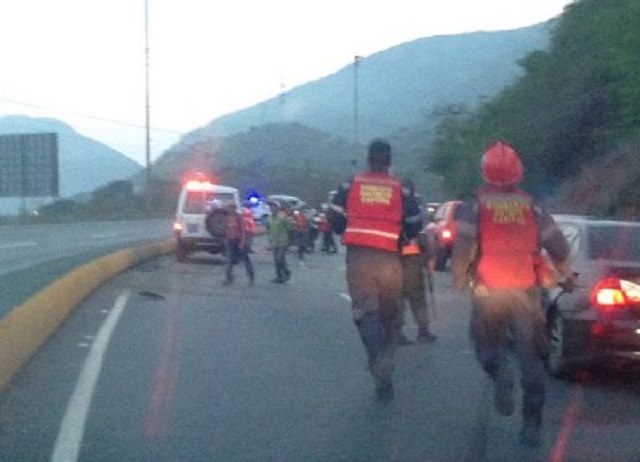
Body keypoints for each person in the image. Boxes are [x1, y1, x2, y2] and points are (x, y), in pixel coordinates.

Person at [451, 141, 575, 446]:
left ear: (485, 173)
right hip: (526, 292)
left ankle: (499, 371)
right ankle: (531, 427)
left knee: (484, 342)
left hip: (487, 289)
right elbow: (558, 247)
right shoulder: (532, 205)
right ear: (518, 173)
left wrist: (458, 277)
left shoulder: (475, 204)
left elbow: (463, 246)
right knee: (533, 357)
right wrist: (567, 274)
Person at [329, 138, 422, 402]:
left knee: (364, 312)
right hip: (391, 258)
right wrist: (402, 232)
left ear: (369, 159)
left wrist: (347, 228)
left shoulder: (351, 183)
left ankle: (376, 359)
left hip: (359, 259)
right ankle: (386, 359)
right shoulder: (401, 188)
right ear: (390, 161)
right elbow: (415, 223)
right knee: (391, 314)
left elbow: (334, 217)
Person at [397, 179, 437, 344]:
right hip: (411, 257)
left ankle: (397, 331)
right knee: (417, 295)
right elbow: (422, 232)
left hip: (393, 257)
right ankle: (423, 330)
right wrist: (428, 255)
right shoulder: (415, 206)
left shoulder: (391, 203)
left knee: (396, 296)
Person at [222, 202, 254, 285]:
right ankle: (229, 278)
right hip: (230, 241)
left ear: (235, 208)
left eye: (232, 208)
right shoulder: (227, 218)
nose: (230, 209)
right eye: (229, 208)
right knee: (229, 261)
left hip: (238, 240)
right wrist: (226, 240)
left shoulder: (239, 217)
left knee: (245, 260)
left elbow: (243, 231)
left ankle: (251, 276)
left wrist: (242, 243)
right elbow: (226, 230)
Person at [267, 200, 292, 283]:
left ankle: (286, 272)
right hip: (274, 242)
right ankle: (279, 276)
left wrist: (290, 241)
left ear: (278, 208)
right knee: (276, 260)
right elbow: (269, 230)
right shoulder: (269, 218)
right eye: (270, 207)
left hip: (283, 241)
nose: (271, 208)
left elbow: (289, 228)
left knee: (279, 258)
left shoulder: (283, 217)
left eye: (273, 207)